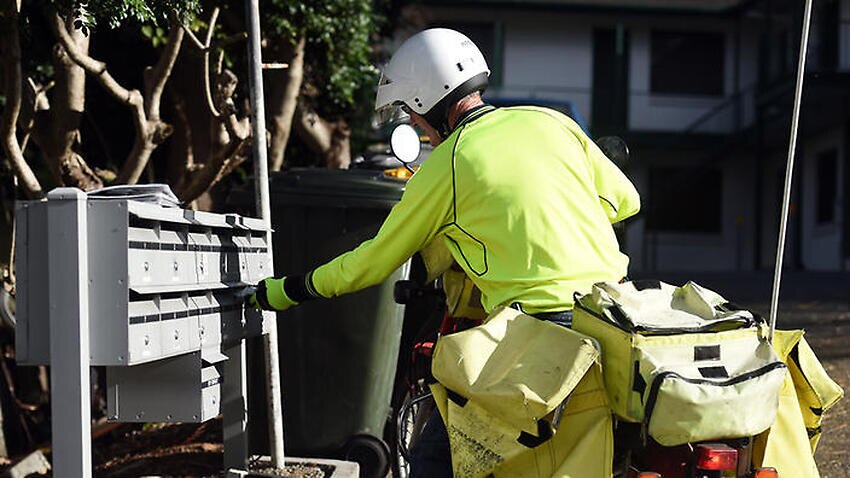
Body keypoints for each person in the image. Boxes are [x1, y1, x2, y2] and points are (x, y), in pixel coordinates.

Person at [250, 28, 640, 477]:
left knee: (436, 458)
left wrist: (289, 289)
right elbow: (626, 200)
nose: (414, 124)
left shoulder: (449, 163)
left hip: (540, 338)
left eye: (412, 112)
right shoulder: (552, 121)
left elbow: (373, 261)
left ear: (427, 99)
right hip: (614, 320)